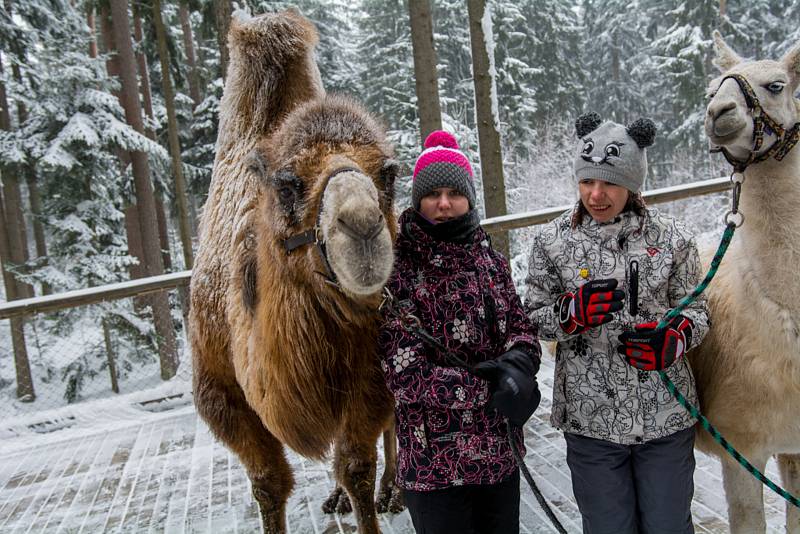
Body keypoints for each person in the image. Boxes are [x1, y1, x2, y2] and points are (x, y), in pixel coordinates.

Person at [525, 112, 710, 534]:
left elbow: (697, 310)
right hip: (591, 422)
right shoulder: (552, 242)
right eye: (587, 181)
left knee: (668, 525)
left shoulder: (672, 238)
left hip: (665, 417)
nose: (596, 194)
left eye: (609, 182)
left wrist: (675, 338)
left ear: (632, 184)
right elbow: (534, 315)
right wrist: (570, 314)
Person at [379, 130, 541, 534]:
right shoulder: (396, 271)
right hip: (434, 466)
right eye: (434, 194)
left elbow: (522, 331)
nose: (445, 203)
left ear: (469, 197)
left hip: (499, 456)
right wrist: (488, 387)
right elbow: (405, 376)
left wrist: (518, 366)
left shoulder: (491, 261)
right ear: (418, 201)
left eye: (455, 192)